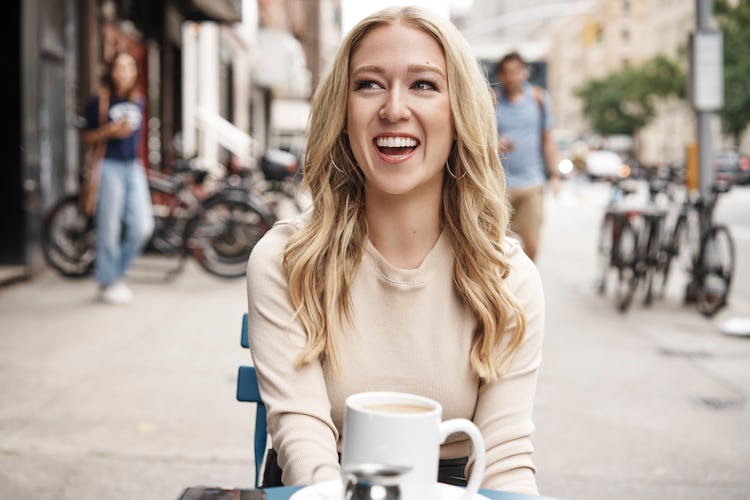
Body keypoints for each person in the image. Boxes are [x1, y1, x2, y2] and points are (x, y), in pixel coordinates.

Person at [246, 6, 544, 496]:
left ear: (459, 111)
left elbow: (506, 458)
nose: (393, 109)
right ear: (342, 113)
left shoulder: (508, 276)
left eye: (423, 85)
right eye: (368, 84)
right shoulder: (285, 260)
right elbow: (302, 437)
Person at [82, 52, 153, 305]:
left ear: (135, 72)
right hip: (108, 166)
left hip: (133, 166)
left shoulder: (139, 100)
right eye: (120, 67)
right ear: (112, 71)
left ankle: (115, 273)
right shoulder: (100, 101)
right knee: (109, 228)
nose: (124, 72)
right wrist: (108, 131)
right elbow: (86, 137)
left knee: (143, 226)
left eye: (129, 67)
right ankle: (108, 281)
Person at [494, 51, 560, 261]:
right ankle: (500, 291)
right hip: (498, 185)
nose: (512, 77)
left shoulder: (539, 99)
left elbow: (547, 139)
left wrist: (555, 174)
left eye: (516, 71)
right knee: (495, 247)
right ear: (500, 75)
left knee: (532, 246)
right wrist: (495, 144)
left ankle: (523, 290)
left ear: (525, 72)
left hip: (531, 183)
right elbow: (481, 137)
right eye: (507, 73)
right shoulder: (492, 100)